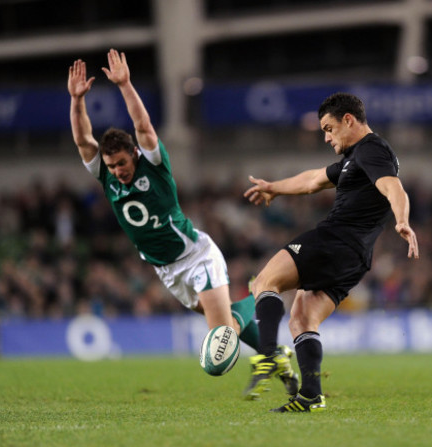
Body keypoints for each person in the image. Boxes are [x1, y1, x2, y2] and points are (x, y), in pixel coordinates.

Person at [67, 49, 299, 391]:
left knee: (220, 341)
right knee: (225, 321)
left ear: (133, 154)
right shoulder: (108, 177)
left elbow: (143, 125)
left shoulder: (154, 165)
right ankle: (274, 352)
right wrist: (76, 101)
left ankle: (263, 292)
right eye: (112, 166)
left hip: (195, 256)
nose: (118, 171)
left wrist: (126, 85)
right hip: (166, 269)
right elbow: (82, 140)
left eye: (122, 163)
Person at [243, 92, 419, 412]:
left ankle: (268, 354)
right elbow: (313, 180)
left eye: (328, 128)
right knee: (302, 318)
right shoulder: (355, 159)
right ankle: (310, 395)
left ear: (348, 120)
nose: (326, 137)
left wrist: (403, 220)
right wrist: (274, 187)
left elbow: (393, 186)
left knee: (264, 281)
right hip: (354, 257)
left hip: (335, 240)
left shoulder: (372, 150)